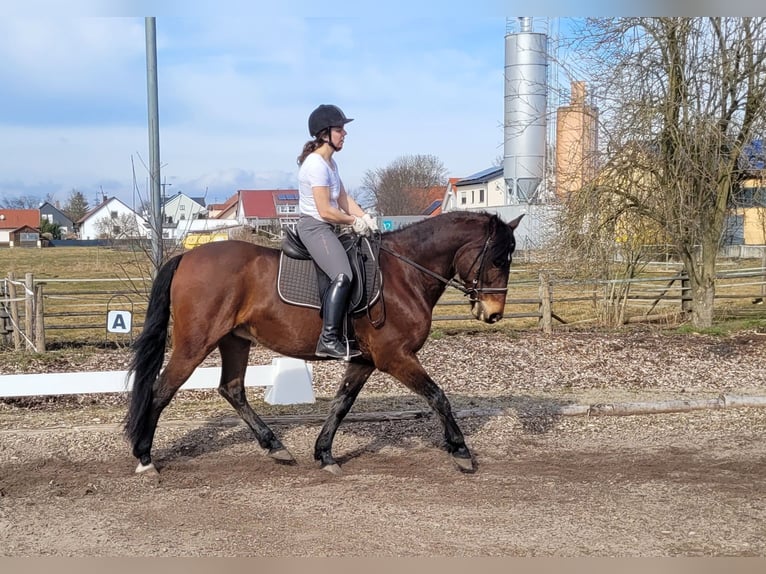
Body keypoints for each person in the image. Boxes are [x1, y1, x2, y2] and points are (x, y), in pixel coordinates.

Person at [296, 104, 378, 360]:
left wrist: (365, 216)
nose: (344, 134)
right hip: (314, 226)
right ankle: (328, 338)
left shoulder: (330, 164)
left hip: (327, 226)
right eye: (340, 129)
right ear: (324, 134)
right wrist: (353, 221)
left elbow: (343, 198)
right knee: (343, 275)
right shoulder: (316, 165)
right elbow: (325, 210)